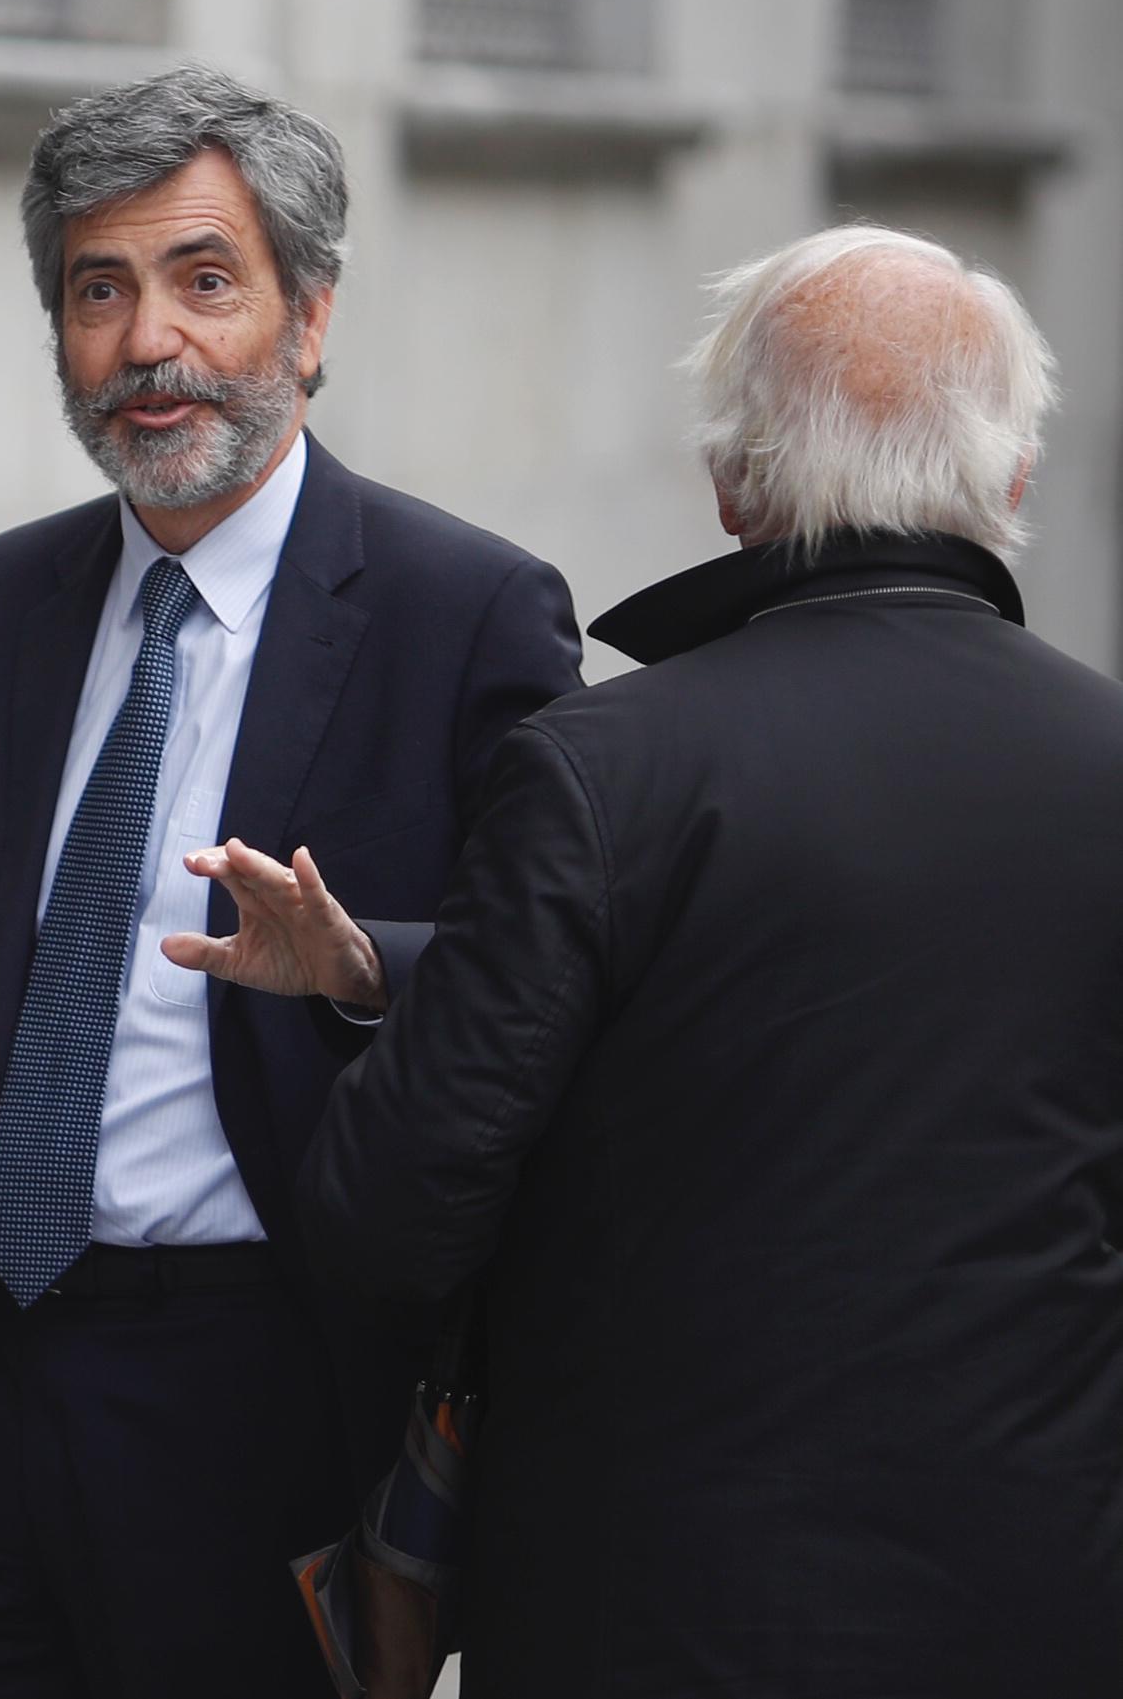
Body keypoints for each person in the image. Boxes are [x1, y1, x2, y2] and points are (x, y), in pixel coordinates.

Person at [180, 225, 1123, 1697]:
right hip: (1039, 1602)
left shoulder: (601, 770)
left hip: (650, 1611)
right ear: (1011, 480)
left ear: (733, 483)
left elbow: (386, 1216)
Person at [0, 65, 582, 1695]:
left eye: (205, 281)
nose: (148, 342)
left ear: (310, 316)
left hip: (264, 1411)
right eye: (98, 289)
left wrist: (361, 970)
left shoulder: (465, 613)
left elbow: (547, 1005)